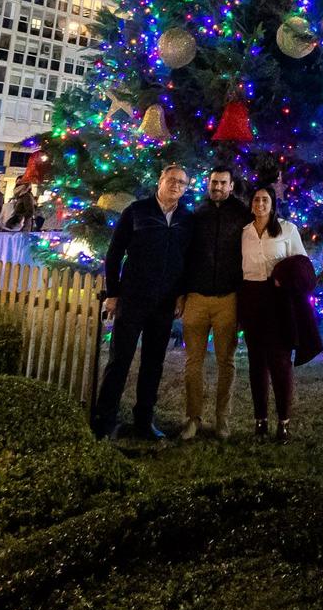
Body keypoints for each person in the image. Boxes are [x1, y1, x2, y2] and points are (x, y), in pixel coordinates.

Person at [92, 164, 194, 441]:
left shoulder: (187, 219)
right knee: (120, 360)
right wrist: (113, 293)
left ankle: (144, 421)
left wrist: (181, 294)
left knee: (153, 363)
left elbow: (187, 261)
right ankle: (105, 420)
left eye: (182, 183)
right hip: (133, 297)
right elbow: (114, 254)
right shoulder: (136, 212)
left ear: (186, 189)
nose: (176, 186)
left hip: (164, 303)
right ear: (160, 180)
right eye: (171, 180)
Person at [179, 165, 251, 440]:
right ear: (208, 184)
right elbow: (186, 254)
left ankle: (223, 419)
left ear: (232, 186)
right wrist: (182, 293)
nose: (218, 187)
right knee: (193, 362)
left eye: (223, 183)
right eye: (214, 183)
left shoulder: (242, 215)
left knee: (226, 362)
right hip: (197, 297)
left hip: (227, 299)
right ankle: (192, 417)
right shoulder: (197, 214)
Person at [238, 186, 308, 441]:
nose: (259, 203)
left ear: (272, 203)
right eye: (255, 199)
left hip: (278, 300)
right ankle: (260, 421)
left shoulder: (287, 229)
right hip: (251, 299)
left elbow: (302, 264)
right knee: (256, 362)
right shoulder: (244, 232)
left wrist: (282, 278)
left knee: (280, 362)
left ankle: (284, 422)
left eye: (265, 199)